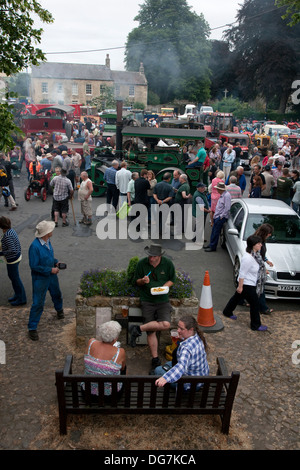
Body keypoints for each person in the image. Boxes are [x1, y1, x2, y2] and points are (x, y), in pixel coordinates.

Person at [130, 244, 176, 369]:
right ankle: (155, 359)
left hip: (162, 300)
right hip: (147, 300)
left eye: (154, 256)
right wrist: (142, 281)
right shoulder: (142, 264)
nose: (151, 258)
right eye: (150, 255)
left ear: (159, 256)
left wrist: (165, 287)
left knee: (166, 324)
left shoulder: (167, 263)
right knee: (151, 331)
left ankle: (138, 329)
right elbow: (136, 281)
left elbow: (172, 279)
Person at [28, 220, 65, 341]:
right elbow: (34, 266)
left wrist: (56, 262)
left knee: (57, 294)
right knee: (38, 302)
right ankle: (32, 328)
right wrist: (50, 270)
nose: (52, 231)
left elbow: (49, 257)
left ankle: (59, 310)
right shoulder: (34, 247)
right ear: (46, 233)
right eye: (50, 229)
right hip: (41, 278)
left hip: (51, 275)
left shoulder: (47, 241)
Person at [223, 235, 268, 331]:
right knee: (255, 304)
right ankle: (255, 325)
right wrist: (240, 287)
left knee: (236, 298)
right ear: (253, 245)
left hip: (248, 283)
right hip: (247, 284)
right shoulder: (248, 258)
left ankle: (227, 312)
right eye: (258, 243)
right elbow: (242, 273)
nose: (261, 245)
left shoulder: (255, 255)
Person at [155, 315, 209, 389]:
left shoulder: (186, 348)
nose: (178, 330)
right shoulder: (199, 336)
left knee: (158, 370)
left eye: (181, 329)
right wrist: (182, 338)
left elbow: (181, 366)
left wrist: (165, 378)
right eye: (178, 327)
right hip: (202, 377)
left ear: (191, 329)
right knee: (168, 364)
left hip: (191, 385)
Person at [82, 321, 126, 399]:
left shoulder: (91, 342)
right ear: (115, 339)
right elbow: (122, 368)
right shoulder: (120, 352)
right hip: (111, 396)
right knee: (123, 368)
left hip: (87, 392)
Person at [0, 216, 27, 306]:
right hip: (15, 258)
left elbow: (12, 250)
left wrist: (1, 253)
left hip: (12, 259)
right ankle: (18, 295)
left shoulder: (7, 235)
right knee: (13, 277)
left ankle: (21, 298)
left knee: (15, 278)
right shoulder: (10, 231)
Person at [204, 181, 231, 252]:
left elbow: (227, 208)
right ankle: (211, 244)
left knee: (216, 232)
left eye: (218, 189)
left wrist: (221, 216)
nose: (217, 190)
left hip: (220, 217)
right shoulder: (224, 195)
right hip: (218, 216)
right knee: (214, 231)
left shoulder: (226, 196)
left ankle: (213, 246)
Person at [254, 223, 274, 315]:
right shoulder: (258, 242)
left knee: (250, 286)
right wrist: (264, 268)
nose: (270, 235)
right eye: (269, 233)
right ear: (265, 233)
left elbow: (262, 255)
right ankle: (263, 308)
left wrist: (267, 260)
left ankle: (240, 300)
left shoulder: (261, 240)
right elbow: (257, 256)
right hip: (256, 267)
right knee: (261, 288)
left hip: (257, 267)